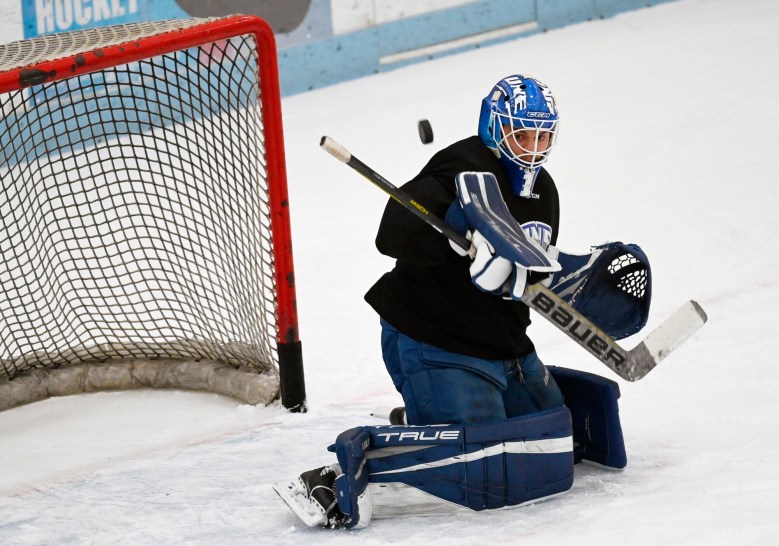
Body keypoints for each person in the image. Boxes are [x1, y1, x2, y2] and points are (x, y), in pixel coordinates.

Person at [364, 73, 565, 425]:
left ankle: (428, 410)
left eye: (542, 135)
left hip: (504, 346)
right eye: (521, 135)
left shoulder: (543, 190)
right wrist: (451, 239)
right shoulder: (461, 169)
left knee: (554, 433)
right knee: (482, 456)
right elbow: (391, 234)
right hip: (433, 339)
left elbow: (532, 270)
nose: (533, 147)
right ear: (494, 127)